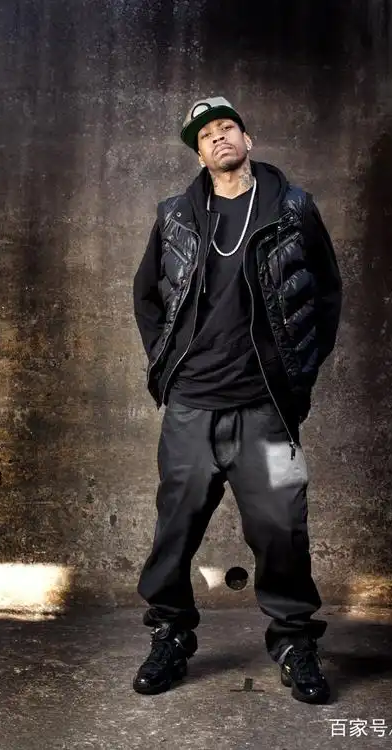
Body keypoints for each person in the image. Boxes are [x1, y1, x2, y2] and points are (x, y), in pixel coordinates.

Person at [132, 96, 342, 704]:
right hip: (191, 408)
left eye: (227, 127)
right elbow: (147, 296)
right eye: (206, 135)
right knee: (174, 529)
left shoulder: (293, 207)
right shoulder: (175, 215)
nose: (218, 138)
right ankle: (170, 633)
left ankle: (295, 642)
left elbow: (326, 293)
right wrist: (169, 367)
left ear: (247, 139)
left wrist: (300, 371)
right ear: (199, 154)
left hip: (270, 410)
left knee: (283, 528)